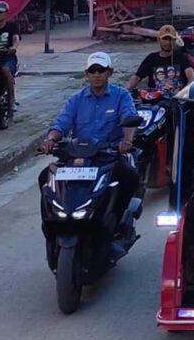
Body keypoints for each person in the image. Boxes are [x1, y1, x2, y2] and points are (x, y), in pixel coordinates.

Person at [41, 53, 141, 239]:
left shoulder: (121, 95)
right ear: (86, 73)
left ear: (109, 72)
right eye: (92, 71)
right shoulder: (76, 99)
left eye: (101, 70)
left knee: (130, 176)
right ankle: (51, 226)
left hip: (108, 155)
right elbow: (61, 123)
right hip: (79, 157)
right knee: (45, 177)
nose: (96, 75)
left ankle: (118, 221)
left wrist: (126, 141)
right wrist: (51, 139)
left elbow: (129, 118)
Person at [126, 24, 194, 207]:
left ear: (174, 41)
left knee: (176, 131)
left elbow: (191, 76)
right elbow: (136, 77)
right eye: (164, 39)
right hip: (154, 105)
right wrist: (124, 92)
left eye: (170, 39)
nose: (167, 42)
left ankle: (172, 163)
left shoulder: (181, 58)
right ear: (159, 40)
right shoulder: (151, 59)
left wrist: (184, 92)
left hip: (175, 105)